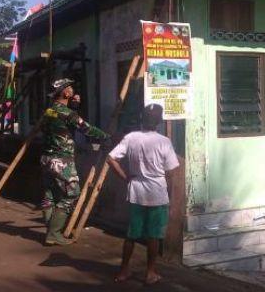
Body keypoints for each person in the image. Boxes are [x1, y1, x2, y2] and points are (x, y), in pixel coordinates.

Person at [107, 103, 179, 285]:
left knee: (132, 234)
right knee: (153, 235)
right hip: (157, 193)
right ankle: (150, 272)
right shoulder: (164, 141)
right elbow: (171, 172)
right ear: (159, 121)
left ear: (142, 118)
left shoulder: (131, 137)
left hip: (136, 191)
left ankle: (123, 271)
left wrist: (125, 177)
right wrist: (168, 191)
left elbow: (111, 159)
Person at [40, 78, 110, 246]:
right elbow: (86, 128)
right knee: (72, 194)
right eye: (70, 88)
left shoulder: (49, 111)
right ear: (65, 93)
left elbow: (62, 123)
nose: (72, 90)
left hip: (46, 158)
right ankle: (54, 234)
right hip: (62, 160)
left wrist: (74, 107)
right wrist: (106, 136)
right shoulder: (68, 114)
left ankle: (51, 230)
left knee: (50, 195)